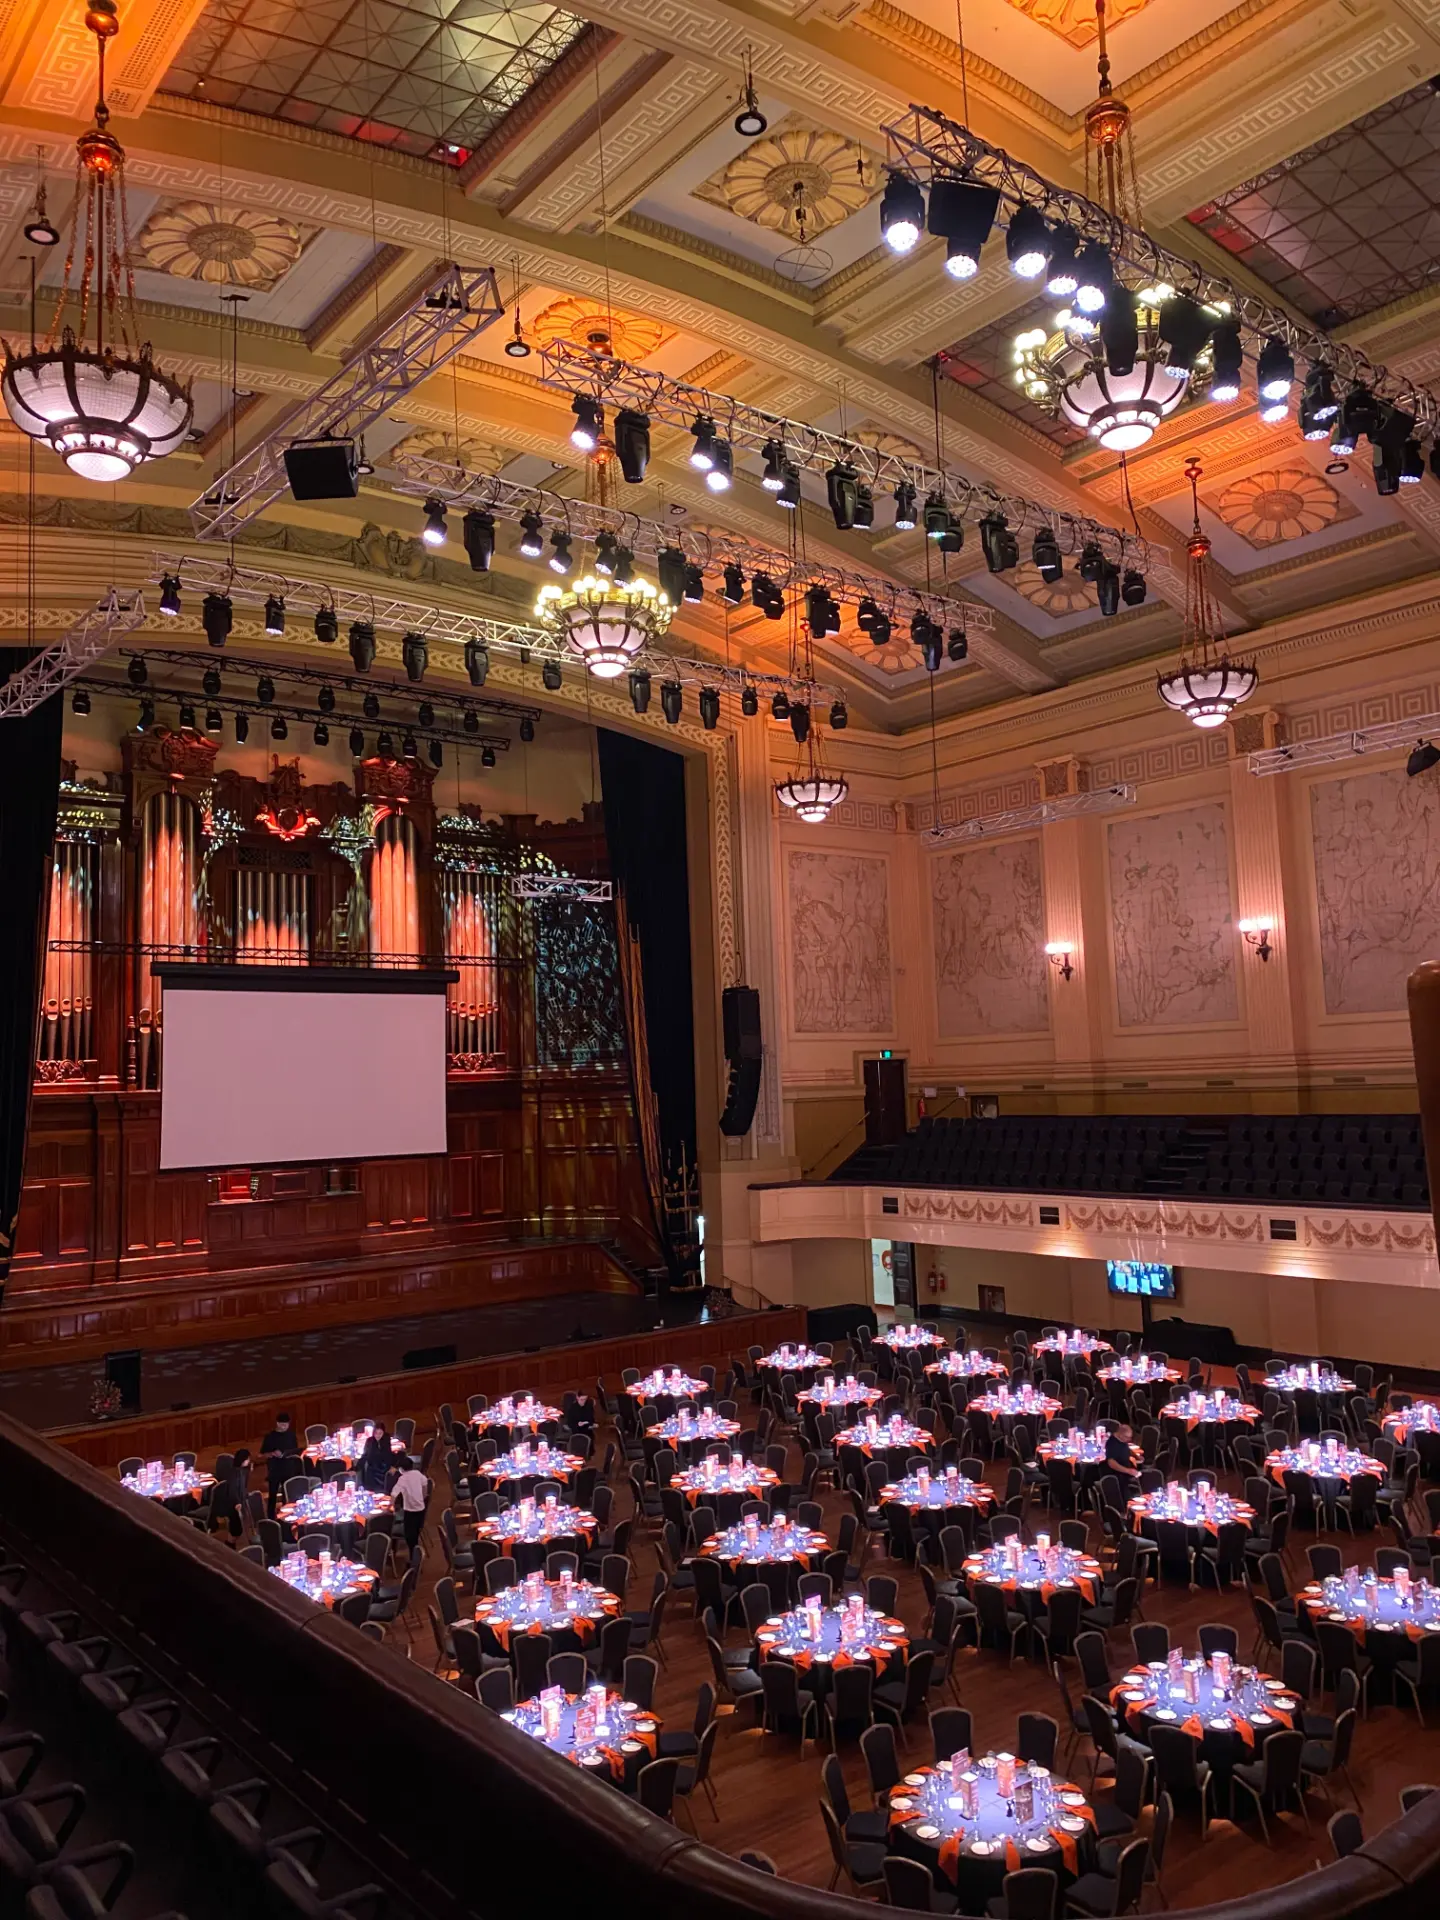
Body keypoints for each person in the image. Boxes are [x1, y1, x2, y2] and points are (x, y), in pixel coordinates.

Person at [260, 1412, 297, 1518]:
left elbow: (294, 1450)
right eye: (282, 1425)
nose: (284, 1427)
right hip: (274, 1469)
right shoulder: (270, 1437)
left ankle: (287, 1515)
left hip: (288, 1468)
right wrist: (272, 1453)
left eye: (286, 1425)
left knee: (287, 1494)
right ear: (277, 1424)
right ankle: (270, 1516)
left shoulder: (291, 1435)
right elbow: (262, 1454)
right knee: (273, 1495)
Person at [389, 1460, 430, 1556]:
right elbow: (425, 1486)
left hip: (410, 1511)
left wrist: (391, 1506)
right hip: (421, 1509)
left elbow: (394, 1494)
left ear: (402, 1469)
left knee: (409, 1535)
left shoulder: (403, 1479)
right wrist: (422, 1497)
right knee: (415, 1533)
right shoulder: (418, 1474)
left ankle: (413, 1555)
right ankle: (415, 1553)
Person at [213, 1446, 252, 1541]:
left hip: (236, 1502)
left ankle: (231, 1542)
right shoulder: (235, 1474)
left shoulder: (240, 1472)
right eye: (248, 1459)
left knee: (237, 1527)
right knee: (235, 1527)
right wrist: (237, 1502)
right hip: (232, 1504)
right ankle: (230, 1543)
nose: (249, 1461)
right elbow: (233, 1490)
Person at [359, 1422, 396, 1494]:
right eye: (376, 1433)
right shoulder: (370, 1441)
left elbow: (388, 1454)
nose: (378, 1435)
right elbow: (365, 1455)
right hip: (373, 1468)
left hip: (384, 1467)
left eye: (380, 1433)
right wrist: (356, 1468)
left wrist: (393, 1465)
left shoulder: (386, 1438)